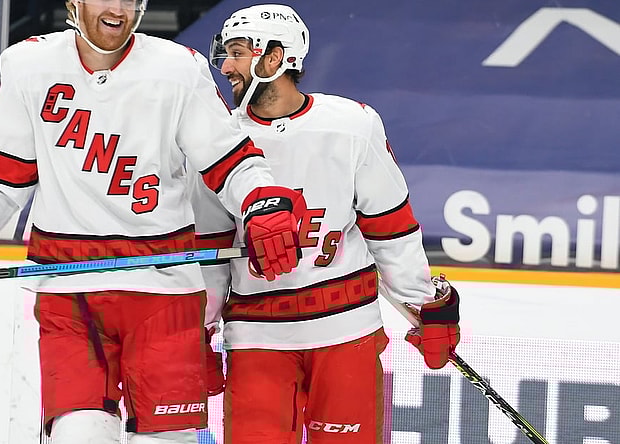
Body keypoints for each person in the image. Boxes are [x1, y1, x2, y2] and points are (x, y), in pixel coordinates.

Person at [0, 1, 308, 443]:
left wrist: (263, 204)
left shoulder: (179, 70)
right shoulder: (28, 65)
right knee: (79, 435)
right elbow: (0, 177)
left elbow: (232, 161)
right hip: (70, 296)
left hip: (164, 295)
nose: (119, 9)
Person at [191, 4, 461, 443]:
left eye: (238, 52)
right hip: (257, 340)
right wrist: (200, 328)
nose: (225, 66)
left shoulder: (352, 125)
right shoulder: (217, 138)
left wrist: (425, 306)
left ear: (274, 57)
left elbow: (390, 229)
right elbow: (212, 250)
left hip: (346, 335)